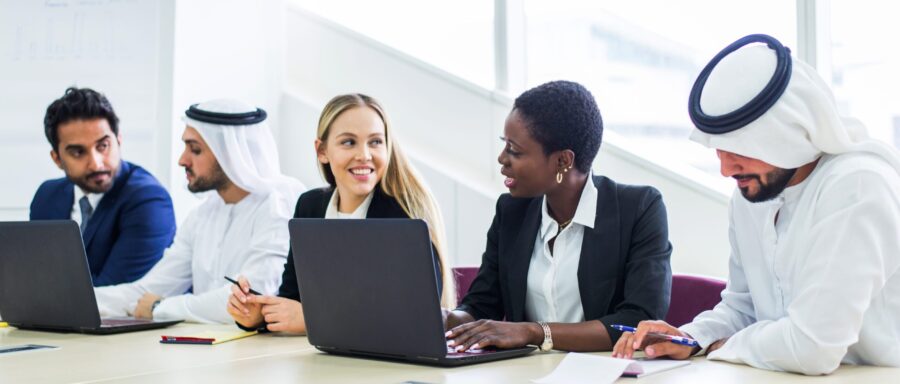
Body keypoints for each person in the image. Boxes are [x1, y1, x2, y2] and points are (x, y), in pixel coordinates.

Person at [613, 34, 900, 375]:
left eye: (738, 149)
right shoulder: (752, 193)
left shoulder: (856, 187)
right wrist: (691, 337)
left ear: (788, 133)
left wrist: (727, 346)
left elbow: (812, 347)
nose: (725, 169)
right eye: (718, 150)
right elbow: (744, 306)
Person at [444, 80, 673, 352]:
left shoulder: (639, 208)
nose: (502, 159)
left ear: (563, 160)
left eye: (514, 151)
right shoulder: (511, 212)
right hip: (524, 376)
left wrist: (534, 332)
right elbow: (482, 305)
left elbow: (636, 319)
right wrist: (446, 319)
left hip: (606, 374)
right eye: (505, 145)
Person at [228, 93, 453, 333]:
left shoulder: (403, 214)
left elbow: (411, 315)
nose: (364, 155)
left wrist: (314, 320)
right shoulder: (310, 206)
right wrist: (256, 315)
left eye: (375, 142)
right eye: (349, 142)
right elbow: (293, 298)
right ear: (322, 151)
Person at [94, 99, 305, 323]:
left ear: (230, 153)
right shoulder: (202, 214)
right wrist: (74, 299)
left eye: (195, 149)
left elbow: (250, 301)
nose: (182, 160)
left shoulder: (278, 204)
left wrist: (159, 307)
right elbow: (148, 290)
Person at [30, 87, 176, 286]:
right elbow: (36, 278)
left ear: (118, 140)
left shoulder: (149, 200)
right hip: (56, 317)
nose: (96, 163)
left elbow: (114, 292)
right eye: (78, 152)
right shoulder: (47, 196)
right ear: (57, 158)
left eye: (103, 146)